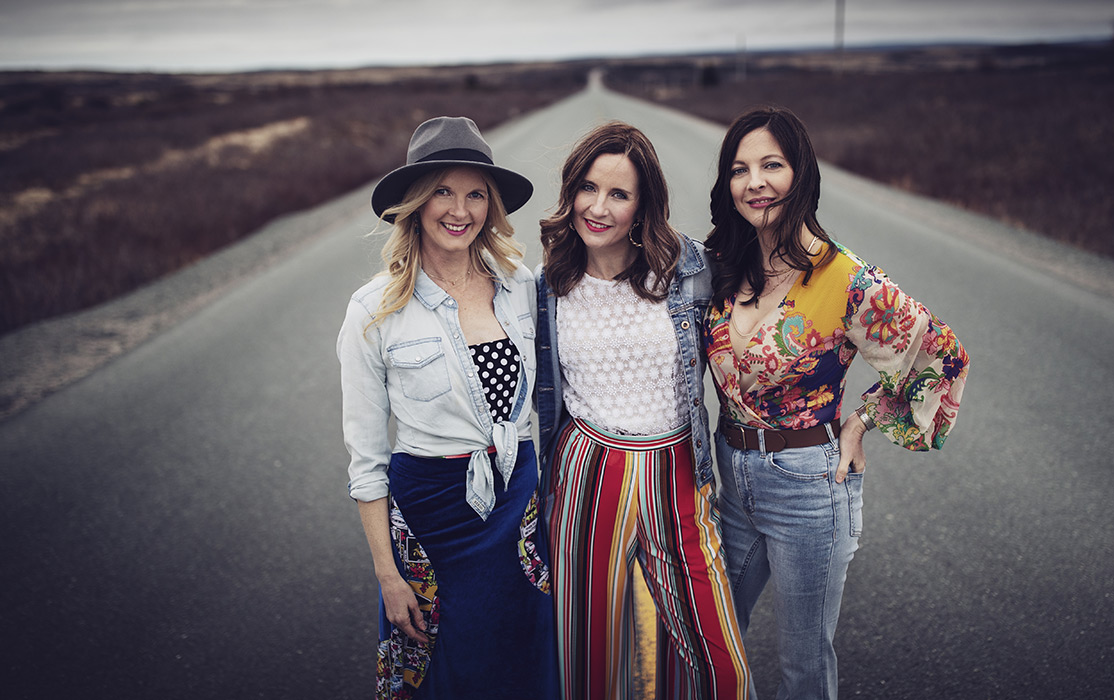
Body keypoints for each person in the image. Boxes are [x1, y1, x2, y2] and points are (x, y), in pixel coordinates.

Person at [703, 105, 970, 700]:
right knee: (711, 638)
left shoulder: (844, 279)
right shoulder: (722, 264)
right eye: (740, 169)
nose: (755, 182)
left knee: (803, 669)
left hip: (807, 485)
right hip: (730, 477)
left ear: (801, 173)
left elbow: (941, 357)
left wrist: (862, 422)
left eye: (771, 164)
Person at [337, 116, 557, 699]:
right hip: (433, 516)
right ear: (415, 202)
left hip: (519, 507)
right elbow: (366, 462)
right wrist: (388, 574)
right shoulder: (373, 309)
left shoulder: (520, 286)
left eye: (475, 194)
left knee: (525, 657)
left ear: (491, 205)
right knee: (444, 670)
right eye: (442, 191)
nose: (460, 210)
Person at [536, 121, 753, 700]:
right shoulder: (546, 285)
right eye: (587, 188)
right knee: (589, 667)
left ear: (643, 205)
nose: (597, 207)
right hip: (587, 471)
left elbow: (772, 293)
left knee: (721, 670)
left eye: (618, 194)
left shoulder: (690, 270)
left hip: (677, 470)